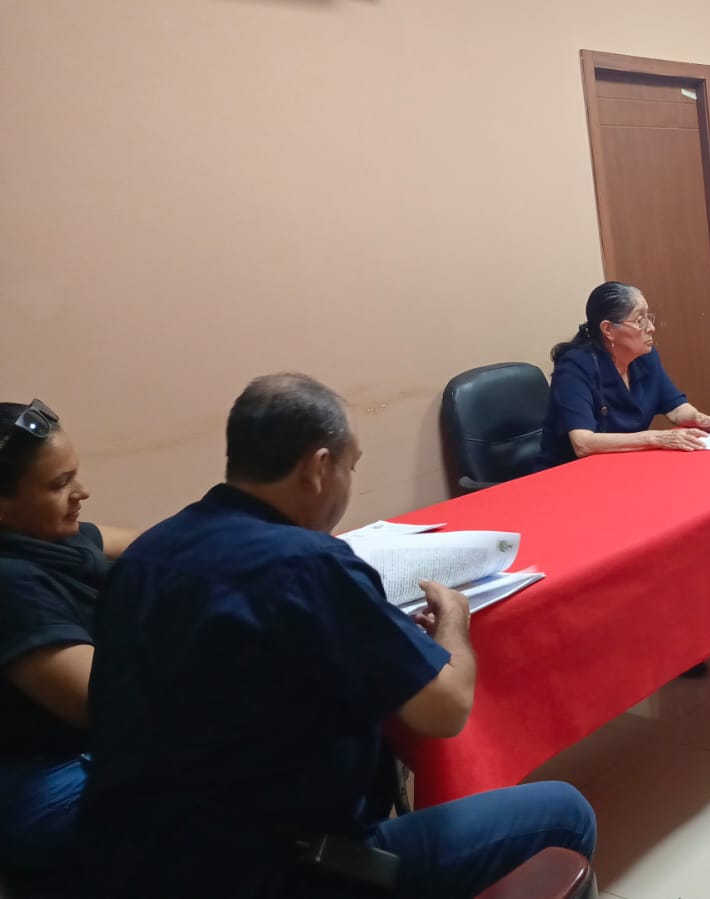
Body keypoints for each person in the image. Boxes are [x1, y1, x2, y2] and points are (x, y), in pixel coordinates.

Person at [79, 374, 596, 898]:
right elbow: (444, 710)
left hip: (133, 857)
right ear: (319, 468)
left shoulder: (147, 554)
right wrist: (453, 623)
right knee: (565, 813)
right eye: (351, 466)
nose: (349, 482)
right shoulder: (307, 565)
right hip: (279, 868)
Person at [0, 400, 137, 881]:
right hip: (49, 781)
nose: (82, 492)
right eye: (60, 484)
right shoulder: (11, 584)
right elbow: (110, 705)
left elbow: (161, 546)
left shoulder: (59, 538)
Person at [536, 280, 710, 469]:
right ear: (608, 329)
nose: (651, 328)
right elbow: (583, 443)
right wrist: (655, 438)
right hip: (570, 475)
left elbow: (675, 408)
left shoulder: (644, 358)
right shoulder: (575, 368)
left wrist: (700, 419)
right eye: (640, 320)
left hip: (623, 466)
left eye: (649, 318)